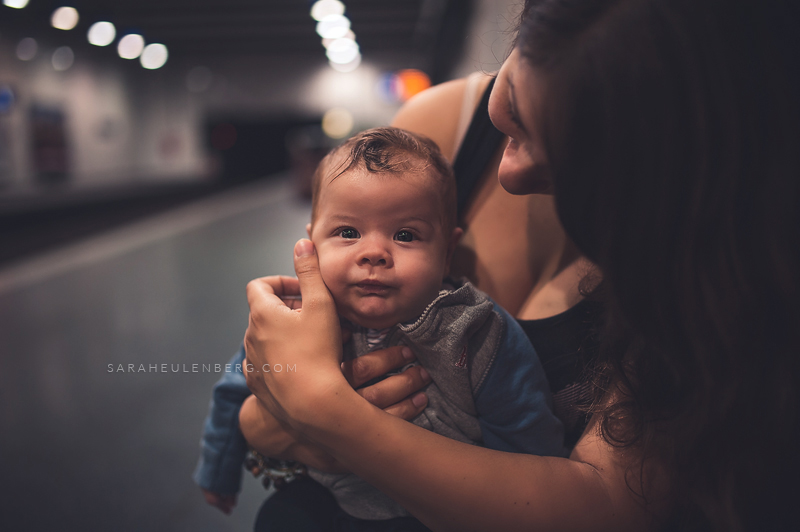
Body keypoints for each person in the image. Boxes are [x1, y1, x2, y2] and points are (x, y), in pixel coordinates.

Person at [239, 0, 800, 530]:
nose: (511, 177)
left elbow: (606, 508)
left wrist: (328, 415)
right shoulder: (442, 129)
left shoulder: (715, 271)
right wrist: (263, 423)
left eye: (574, 161)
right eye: (512, 110)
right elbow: (269, 396)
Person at [195, 127, 565, 528]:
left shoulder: (475, 330)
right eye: (348, 233)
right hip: (323, 497)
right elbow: (238, 386)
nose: (373, 253)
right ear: (312, 242)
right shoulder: (293, 319)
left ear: (447, 253)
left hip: (430, 512)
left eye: (405, 235)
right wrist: (218, 468)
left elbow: (525, 437)